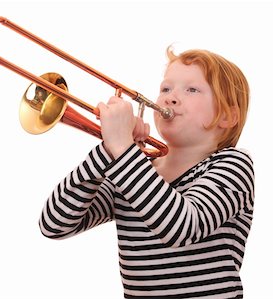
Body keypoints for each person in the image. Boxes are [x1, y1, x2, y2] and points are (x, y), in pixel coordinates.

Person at [39, 46, 254, 299]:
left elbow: (181, 226)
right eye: (166, 88)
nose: (170, 98)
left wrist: (124, 150)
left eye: (192, 89)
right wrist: (109, 151)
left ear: (227, 116)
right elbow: (55, 224)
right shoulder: (135, 169)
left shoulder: (233, 164)